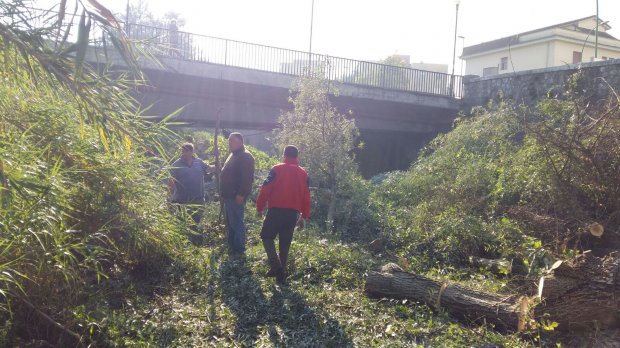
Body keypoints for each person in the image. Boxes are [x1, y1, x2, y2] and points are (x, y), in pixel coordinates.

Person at [256, 145, 311, 283]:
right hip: (292, 214)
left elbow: (265, 188)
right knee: (284, 244)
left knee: (266, 236)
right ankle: (281, 276)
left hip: (276, 211)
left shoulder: (276, 169)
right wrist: (304, 216)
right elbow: (307, 196)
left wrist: (259, 207)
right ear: (297, 157)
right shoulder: (304, 174)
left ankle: (276, 266)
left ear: (284, 155)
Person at [220, 133, 255, 255]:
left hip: (236, 195)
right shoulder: (234, 155)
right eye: (229, 141)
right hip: (230, 195)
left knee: (236, 222)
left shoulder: (245, 156)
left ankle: (239, 249)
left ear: (240, 141)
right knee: (231, 222)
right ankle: (232, 247)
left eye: (232, 141)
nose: (229, 143)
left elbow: (247, 178)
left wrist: (241, 194)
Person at [168, 143, 212, 232]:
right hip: (183, 200)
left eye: (186, 151)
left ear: (192, 152)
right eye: (182, 151)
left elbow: (208, 169)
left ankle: (195, 239)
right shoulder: (176, 164)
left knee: (196, 221)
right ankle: (186, 241)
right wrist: (169, 198)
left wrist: (218, 166)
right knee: (185, 222)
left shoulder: (198, 162)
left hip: (198, 198)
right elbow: (171, 182)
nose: (183, 153)